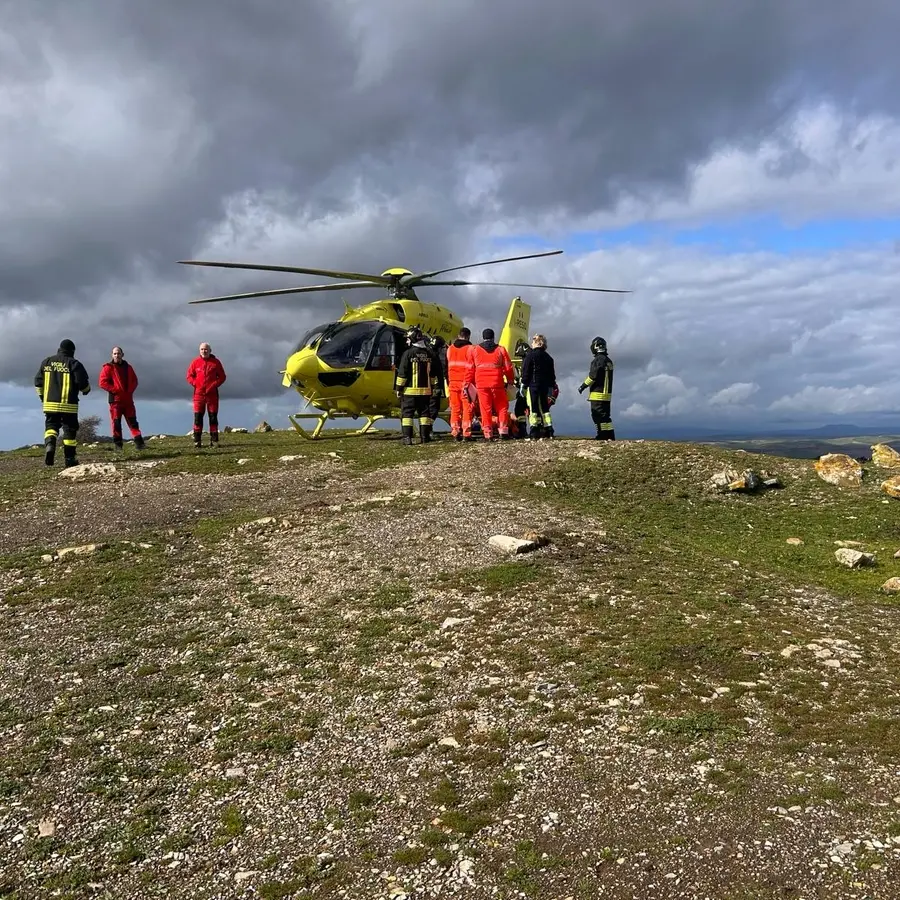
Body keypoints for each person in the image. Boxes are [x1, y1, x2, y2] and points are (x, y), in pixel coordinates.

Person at [34, 338, 91, 467]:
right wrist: (86, 390)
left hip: (50, 404)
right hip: (69, 405)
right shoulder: (74, 363)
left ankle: (50, 446)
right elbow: (83, 384)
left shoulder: (47, 362)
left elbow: (38, 383)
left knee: (51, 428)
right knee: (69, 431)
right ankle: (69, 459)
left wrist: (43, 398)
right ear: (72, 351)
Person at [464, 328, 515, 441]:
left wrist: (467, 383)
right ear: (493, 337)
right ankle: (503, 431)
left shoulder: (475, 350)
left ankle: (488, 433)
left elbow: (469, 369)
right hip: (497, 383)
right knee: (502, 407)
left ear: (483, 337)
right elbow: (508, 367)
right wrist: (510, 380)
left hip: (481, 384)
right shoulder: (501, 350)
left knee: (485, 408)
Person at [395, 326, 441, 445]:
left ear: (413, 339)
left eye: (408, 339)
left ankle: (407, 438)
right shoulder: (429, 353)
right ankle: (425, 438)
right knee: (424, 414)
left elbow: (402, 373)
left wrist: (399, 389)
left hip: (410, 392)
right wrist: (435, 387)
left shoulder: (408, 354)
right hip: (425, 391)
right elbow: (433, 374)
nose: (407, 341)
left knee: (407, 414)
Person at [98, 346, 146, 451]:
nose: (117, 355)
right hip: (115, 401)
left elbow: (134, 381)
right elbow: (102, 383)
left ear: (122, 355)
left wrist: (129, 391)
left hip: (128, 400)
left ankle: (139, 443)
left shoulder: (128, 367)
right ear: (112, 355)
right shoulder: (108, 367)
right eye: (115, 353)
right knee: (116, 423)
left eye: (118, 353)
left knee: (133, 422)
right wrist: (115, 390)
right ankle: (118, 445)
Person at [186, 342, 227, 448]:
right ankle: (197, 441)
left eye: (206, 349)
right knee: (198, 418)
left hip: (212, 395)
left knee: (213, 418)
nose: (204, 351)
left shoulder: (216, 362)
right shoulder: (195, 362)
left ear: (210, 350)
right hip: (198, 395)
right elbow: (189, 376)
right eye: (202, 349)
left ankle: (214, 441)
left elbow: (222, 377)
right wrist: (196, 384)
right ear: (199, 351)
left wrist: (214, 385)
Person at [578, 336, 615, 440]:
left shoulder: (597, 361)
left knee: (597, 416)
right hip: (607, 395)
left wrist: (583, 386)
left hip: (597, 394)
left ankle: (602, 435)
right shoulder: (608, 361)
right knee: (606, 417)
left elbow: (593, 376)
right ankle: (610, 435)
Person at [520, 333, 557, 440]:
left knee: (534, 408)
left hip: (533, 385)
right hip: (544, 386)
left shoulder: (530, 356)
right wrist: (551, 386)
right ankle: (549, 430)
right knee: (545, 408)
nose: (531, 343)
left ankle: (534, 432)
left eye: (533, 341)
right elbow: (552, 375)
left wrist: (524, 384)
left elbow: (526, 372)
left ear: (537, 343)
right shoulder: (549, 358)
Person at [444, 327, 475, 441]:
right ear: (468, 336)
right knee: (467, 408)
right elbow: (472, 367)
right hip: (465, 383)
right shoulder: (471, 349)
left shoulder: (450, 349)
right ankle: (466, 434)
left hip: (452, 382)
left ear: (458, 335)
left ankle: (455, 432)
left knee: (455, 409)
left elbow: (446, 366)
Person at [426, 335, 448, 432]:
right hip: (434, 386)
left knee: (426, 409)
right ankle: (428, 429)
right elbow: (441, 370)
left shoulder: (426, 353)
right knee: (433, 408)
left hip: (425, 386)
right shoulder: (436, 357)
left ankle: (426, 430)